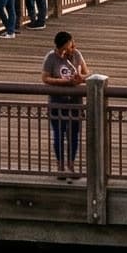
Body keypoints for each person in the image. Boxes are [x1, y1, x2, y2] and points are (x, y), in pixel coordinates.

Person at [40, 30, 88, 179]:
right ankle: (60, 165)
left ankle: (71, 165)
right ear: (60, 48)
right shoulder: (51, 58)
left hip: (75, 101)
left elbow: (87, 74)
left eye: (71, 46)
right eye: (67, 47)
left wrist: (80, 78)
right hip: (57, 101)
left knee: (74, 134)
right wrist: (65, 82)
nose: (70, 49)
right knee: (59, 134)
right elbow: (45, 78)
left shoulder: (77, 55)